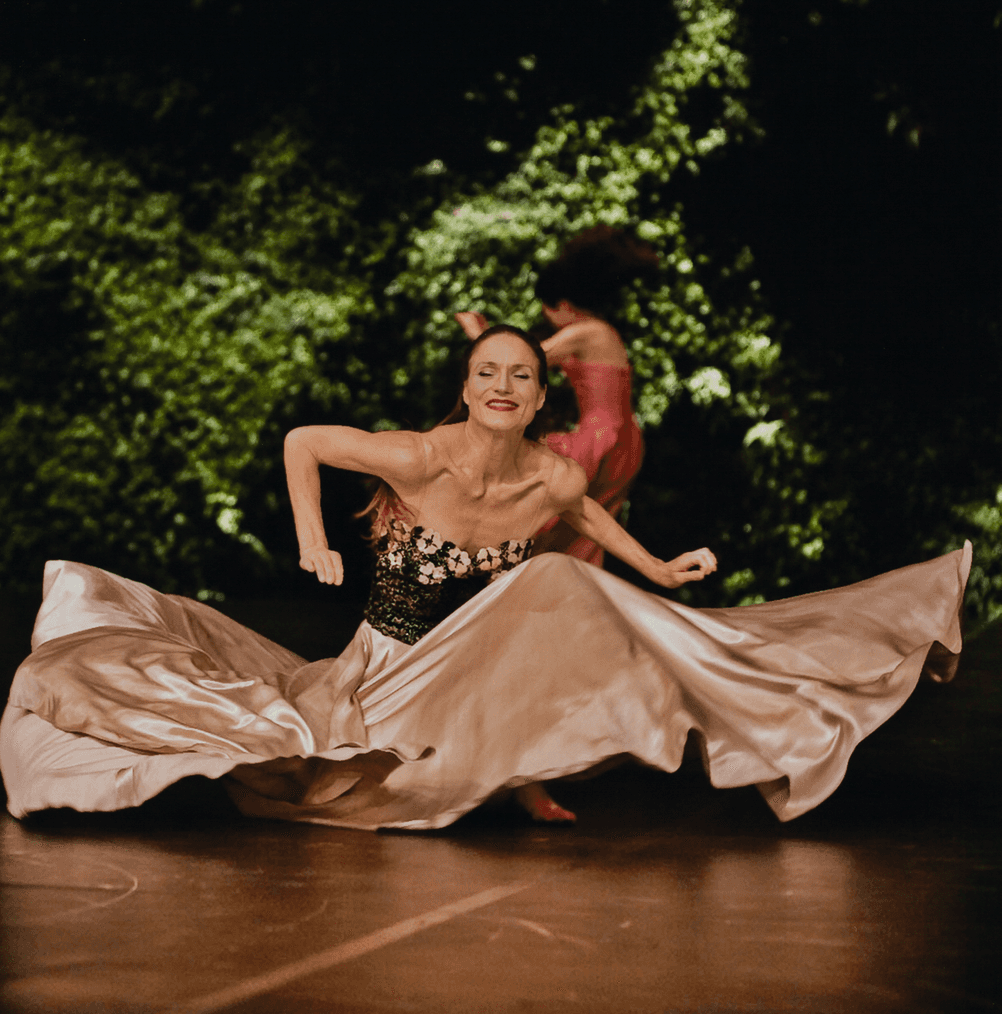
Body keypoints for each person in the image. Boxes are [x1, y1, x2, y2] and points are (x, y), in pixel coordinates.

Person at [0, 325, 970, 833]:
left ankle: (736, 706)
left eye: (520, 376)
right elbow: (302, 442)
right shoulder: (420, 456)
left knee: (566, 591)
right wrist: (312, 537)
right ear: (466, 389)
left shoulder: (553, 473)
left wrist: (661, 569)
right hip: (383, 669)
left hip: (480, 664)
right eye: (486, 374)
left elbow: (587, 519)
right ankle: (505, 776)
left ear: (540, 397)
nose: (503, 387)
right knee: (335, 747)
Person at [458, 227, 653, 568]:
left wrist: (477, 332)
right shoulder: (599, 332)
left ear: (562, 304)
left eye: (548, 311)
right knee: (586, 529)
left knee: (545, 513)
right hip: (620, 436)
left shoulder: (588, 332)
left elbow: (521, 359)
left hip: (601, 438)